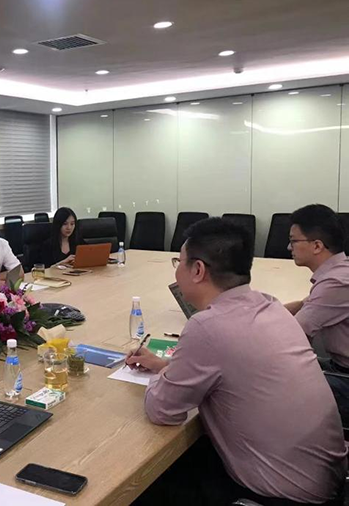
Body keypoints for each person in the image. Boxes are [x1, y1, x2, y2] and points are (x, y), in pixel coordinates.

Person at [126, 217, 346, 506]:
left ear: (198, 270)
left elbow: (163, 410)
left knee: (147, 487)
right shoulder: (270, 305)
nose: (177, 270)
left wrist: (161, 376)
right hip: (325, 480)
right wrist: (165, 366)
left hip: (280, 496)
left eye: (178, 262)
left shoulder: (207, 327)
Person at [284, 204, 349, 423]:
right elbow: (303, 305)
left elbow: (294, 335)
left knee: (268, 382)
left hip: (346, 379)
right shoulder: (340, 272)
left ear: (317, 246)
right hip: (339, 367)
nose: (288, 247)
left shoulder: (336, 283)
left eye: (294, 241)